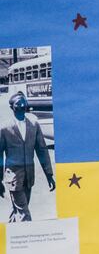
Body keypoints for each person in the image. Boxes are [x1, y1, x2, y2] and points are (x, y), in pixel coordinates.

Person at [1, 92, 55, 222]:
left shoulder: (34, 124)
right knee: (25, 215)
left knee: (19, 211)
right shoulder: (4, 128)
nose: (21, 105)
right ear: (11, 107)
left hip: (29, 177)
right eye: (18, 103)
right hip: (14, 178)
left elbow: (42, 150)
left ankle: (8, 237)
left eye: (23, 102)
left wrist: (49, 174)